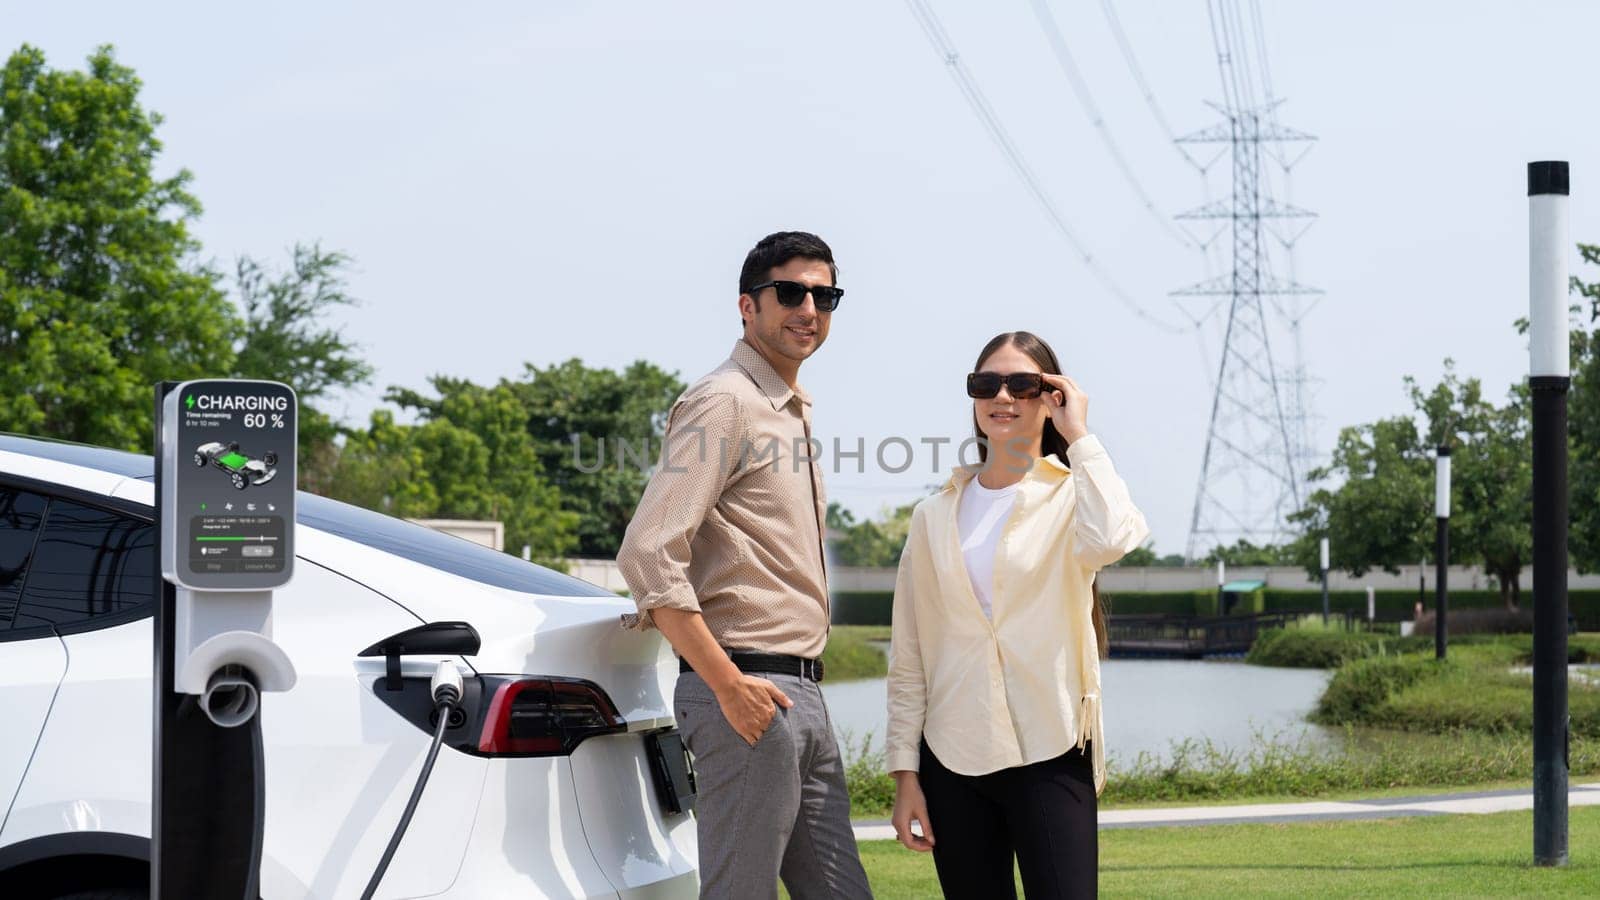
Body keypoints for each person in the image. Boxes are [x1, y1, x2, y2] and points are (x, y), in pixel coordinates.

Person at [617, 231, 873, 899]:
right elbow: (649, 550)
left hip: (802, 694)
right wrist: (728, 685)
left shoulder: (789, 410)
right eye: (790, 292)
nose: (809, 308)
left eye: (825, 295)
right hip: (746, 691)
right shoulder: (725, 400)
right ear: (746, 305)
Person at [885, 331, 1149, 899]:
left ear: (1050, 396)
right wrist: (905, 774)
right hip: (952, 757)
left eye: (1023, 384)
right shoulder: (932, 516)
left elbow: (1116, 537)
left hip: (1052, 748)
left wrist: (1078, 434)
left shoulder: (1072, 496)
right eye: (986, 384)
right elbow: (909, 657)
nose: (1002, 397)